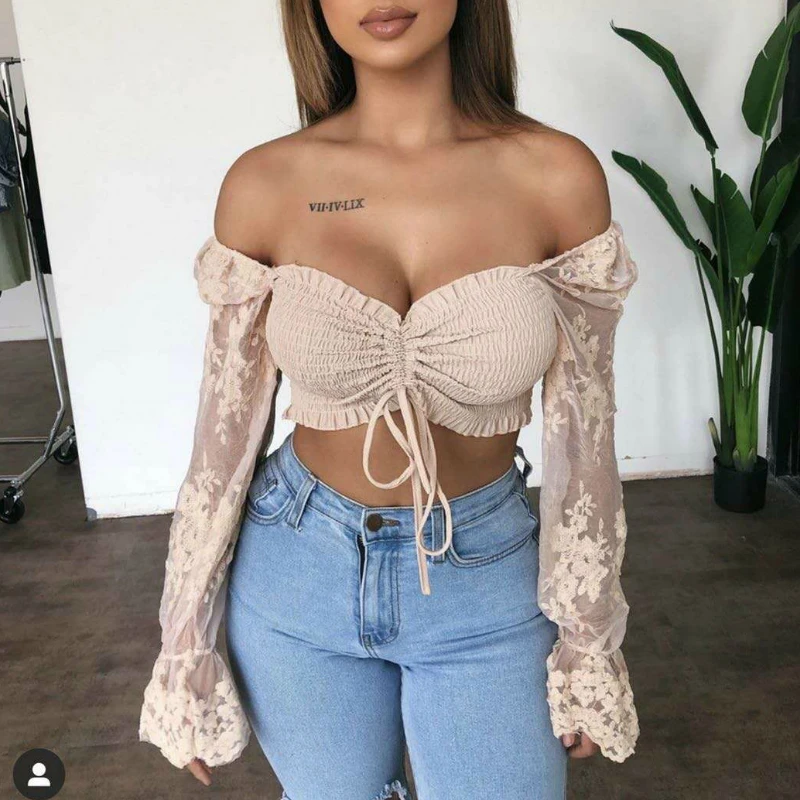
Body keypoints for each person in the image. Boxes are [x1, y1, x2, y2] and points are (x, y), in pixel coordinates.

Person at [139, 1, 641, 797]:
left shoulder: (556, 177)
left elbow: (587, 434)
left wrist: (587, 636)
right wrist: (184, 643)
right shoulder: (265, 185)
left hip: (486, 579)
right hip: (295, 575)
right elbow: (221, 442)